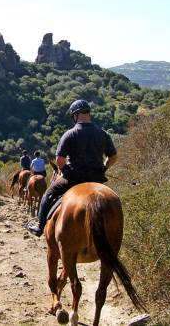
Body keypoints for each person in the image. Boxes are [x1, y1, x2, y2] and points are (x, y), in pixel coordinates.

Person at [27, 99, 118, 237]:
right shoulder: (103, 134)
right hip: (97, 178)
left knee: (48, 194)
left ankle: (39, 226)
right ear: (88, 113)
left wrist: (66, 171)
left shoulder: (70, 134)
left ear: (75, 116)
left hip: (74, 178)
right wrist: (103, 169)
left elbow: (59, 159)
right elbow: (113, 157)